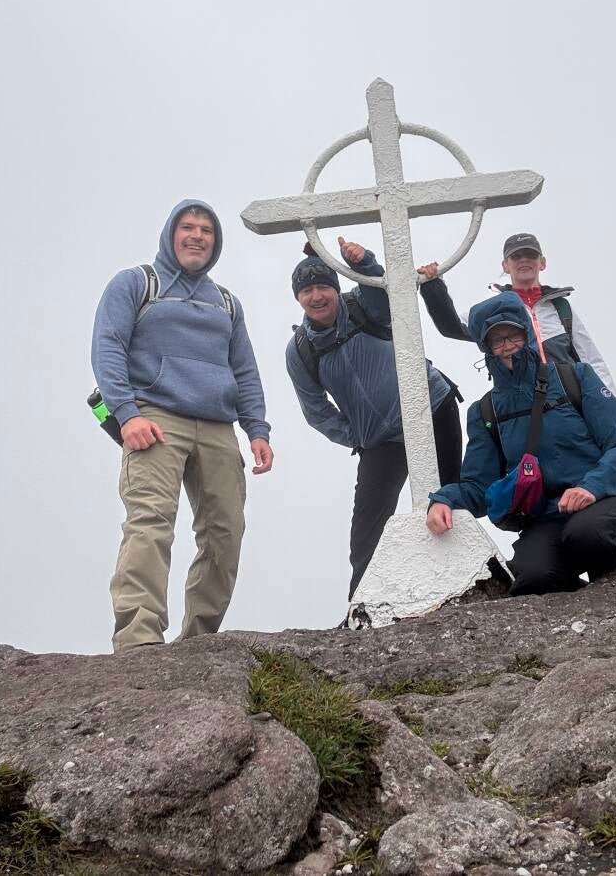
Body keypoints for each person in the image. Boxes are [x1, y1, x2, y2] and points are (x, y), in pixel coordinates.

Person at [418, 232, 616, 573]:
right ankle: (586, 564)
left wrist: (608, 407)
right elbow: (452, 326)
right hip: (524, 413)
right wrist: (432, 286)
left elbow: (590, 357)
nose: (524, 261)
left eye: (530, 255)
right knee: (572, 509)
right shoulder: (497, 312)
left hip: (574, 405)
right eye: (517, 256)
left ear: (542, 262)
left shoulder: (560, 308)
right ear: (505, 265)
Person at [91, 199, 273, 652]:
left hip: (217, 427)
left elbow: (244, 370)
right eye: (188, 227)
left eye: (206, 231)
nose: (197, 236)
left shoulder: (226, 304)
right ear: (171, 233)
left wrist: (257, 430)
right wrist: (127, 415)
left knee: (226, 533)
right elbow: (107, 347)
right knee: (150, 522)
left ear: (215, 242)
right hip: (154, 418)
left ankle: (197, 643)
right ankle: (138, 640)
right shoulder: (137, 283)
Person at [426, 292, 616, 594]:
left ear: (527, 334)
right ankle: (585, 604)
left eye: (513, 335)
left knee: (587, 535)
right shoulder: (485, 412)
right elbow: (478, 487)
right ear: (486, 348)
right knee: (532, 579)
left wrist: (591, 487)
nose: (507, 346)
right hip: (546, 517)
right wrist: (443, 500)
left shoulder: (574, 377)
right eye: (496, 340)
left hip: (608, 498)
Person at [285, 237, 462, 599]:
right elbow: (316, 411)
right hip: (381, 442)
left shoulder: (363, 305)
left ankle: (462, 587)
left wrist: (363, 262)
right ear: (298, 298)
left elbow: (386, 294)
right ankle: (364, 607)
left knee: (450, 501)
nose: (316, 296)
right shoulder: (300, 350)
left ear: (336, 288)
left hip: (433, 409)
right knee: (367, 534)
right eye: (307, 291)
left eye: (323, 287)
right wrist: (357, 435)